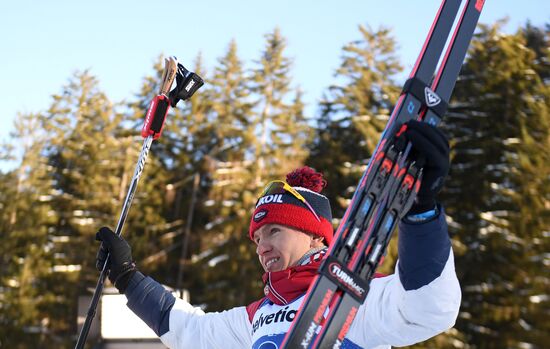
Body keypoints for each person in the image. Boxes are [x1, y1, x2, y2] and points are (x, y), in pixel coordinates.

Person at [96, 120, 460, 348]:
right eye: (257, 238)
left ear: (316, 235)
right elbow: (189, 332)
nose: (262, 246)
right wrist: (128, 276)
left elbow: (428, 309)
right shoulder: (259, 316)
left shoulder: (359, 294)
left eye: (274, 231)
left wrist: (421, 211)